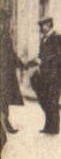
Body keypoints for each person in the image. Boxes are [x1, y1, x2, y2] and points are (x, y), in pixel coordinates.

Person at [28, 16, 61, 135]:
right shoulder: (44, 40)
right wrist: (30, 62)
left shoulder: (58, 38)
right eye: (41, 25)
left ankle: (54, 128)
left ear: (50, 25)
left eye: (44, 25)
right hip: (45, 75)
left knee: (53, 100)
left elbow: (57, 57)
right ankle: (48, 125)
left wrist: (42, 61)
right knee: (46, 100)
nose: (42, 27)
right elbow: (41, 56)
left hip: (56, 75)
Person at [1, 8, 26, 145]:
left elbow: (11, 54)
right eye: (6, 21)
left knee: (4, 99)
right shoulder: (4, 35)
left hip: (5, 74)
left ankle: (5, 123)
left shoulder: (5, 35)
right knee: (3, 98)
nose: (8, 24)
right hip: (3, 74)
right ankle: (5, 124)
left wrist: (21, 64)